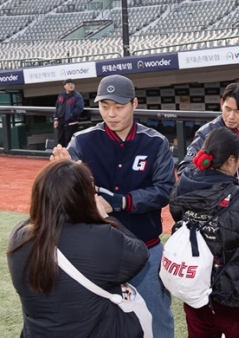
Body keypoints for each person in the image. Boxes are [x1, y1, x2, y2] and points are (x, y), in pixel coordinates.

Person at [51, 74, 176, 337]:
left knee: (157, 318)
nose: (111, 113)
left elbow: (165, 189)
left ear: (134, 103)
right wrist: (61, 171)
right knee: (100, 321)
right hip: (96, 250)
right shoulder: (82, 141)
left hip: (146, 248)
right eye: (104, 106)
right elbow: (65, 191)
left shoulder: (155, 142)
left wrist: (121, 202)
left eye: (118, 106)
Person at [7, 160, 149, 337]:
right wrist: (103, 216)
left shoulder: (19, 235)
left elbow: (47, 222)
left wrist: (63, 175)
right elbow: (139, 253)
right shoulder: (100, 238)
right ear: (82, 197)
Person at [171, 127, 239, 338]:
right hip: (236, 293)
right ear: (231, 161)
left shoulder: (184, 184)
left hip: (195, 287)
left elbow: (176, 212)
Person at [177, 82, 239, 176]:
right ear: (221, 103)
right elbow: (184, 170)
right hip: (218, 189)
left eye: (238, 111)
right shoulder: (207, 133)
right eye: (228, 109)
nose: (231, 116)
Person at [53, 78, 84, 147]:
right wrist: (55, 119)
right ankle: (62, 157)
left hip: (71, 122)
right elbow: (57, 107)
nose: (71, 86)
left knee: (69, 141)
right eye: (69, 84)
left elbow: (79, 108)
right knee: (60, 140)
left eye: (72, 84)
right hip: (61, 121)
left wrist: (71, 115)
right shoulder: (61, 95)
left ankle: (69, 157)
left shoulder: (77, 96)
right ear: (65, 86)